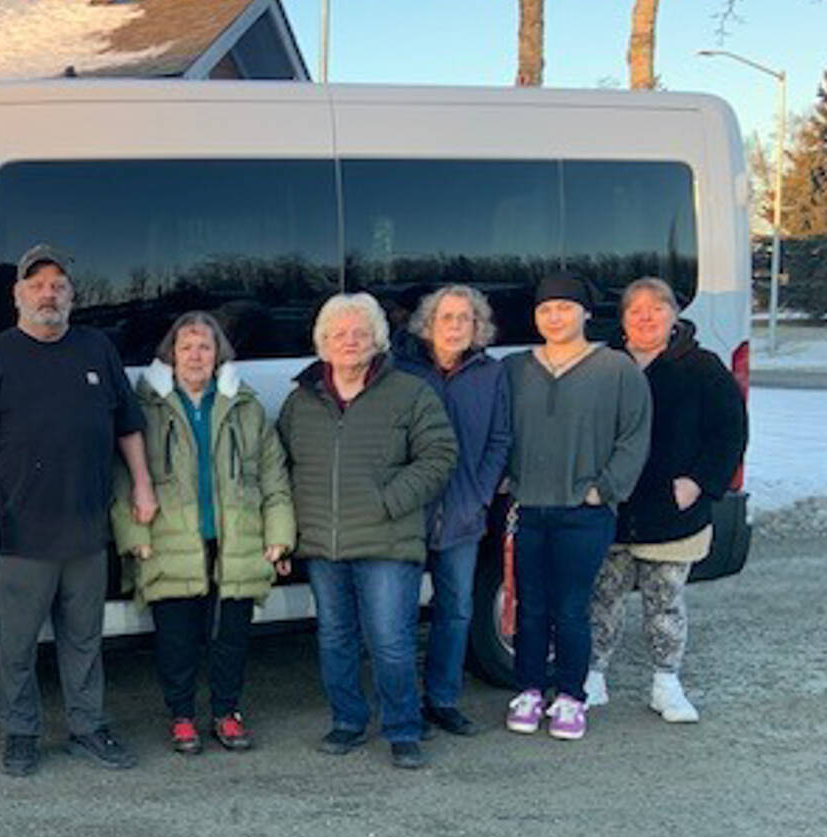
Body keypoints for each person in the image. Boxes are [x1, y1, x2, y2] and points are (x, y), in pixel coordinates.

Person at [0, 244, 157, 776]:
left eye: (59, 285)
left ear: (72, 295)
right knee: (18, 644)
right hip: (26, 528)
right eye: (37, 285)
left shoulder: (97, 349)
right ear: (17, 295)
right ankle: (21, 733)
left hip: (89, 526)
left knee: (84, 638)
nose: (49, 293)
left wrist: (142, 485)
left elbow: (128, 425)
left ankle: (88, 727)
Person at [277, 293, 457, 770]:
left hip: (386, 539)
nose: (350, 342)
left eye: (360, 333)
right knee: (335, 637)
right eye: (339, 334)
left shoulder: (410, 392)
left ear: (377, 340)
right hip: (322, 543)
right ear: (323, 343)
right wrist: (285, 531)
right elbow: (281, 467)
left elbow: (439, 455)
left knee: (390, 640)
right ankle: (348, 721)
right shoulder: (301, 401)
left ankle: (403, 727)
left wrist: (388, 502)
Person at [112, 312, 295, 754]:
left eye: (205, 347)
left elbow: (273, 475)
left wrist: (280, 534)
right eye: (186, 346)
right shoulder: (147, 406)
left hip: (237, 537)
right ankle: (181, 717)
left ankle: (227, 713)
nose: (195, 355)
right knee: (176, 637)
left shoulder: (245, 407)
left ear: (219, 356)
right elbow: (123, 475)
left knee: (230, 636)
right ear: (170, 354)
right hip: (168, 537)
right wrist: (132, 533)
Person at [586, 277, 747, 722]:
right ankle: (593, 674)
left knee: (665, 601)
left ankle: (666, 682)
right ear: (622, 319)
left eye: (656, 308)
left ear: (673, 315)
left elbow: (730, 432)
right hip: (613, 507)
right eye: (635, 309)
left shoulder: (702, 367)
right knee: (603, 597)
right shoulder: (604, 365)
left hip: (672, 508)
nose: (646, 317)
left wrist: (699, 483)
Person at [502, 273, 651, 741]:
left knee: (570, 607)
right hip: (528, 508)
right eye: (545, 309)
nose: (555, 317)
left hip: (584, 511)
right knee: (529, 607)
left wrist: (604, 489)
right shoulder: (515, 368)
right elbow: (498, 428)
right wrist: (505, 477)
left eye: (565, 307)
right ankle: (528, 689)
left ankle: (570, 696)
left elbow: (634, 435)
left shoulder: (615, 369)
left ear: (586, 313)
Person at [395, 285, 513, 738]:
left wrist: (481, 493)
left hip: (464, 512)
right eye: (447, 317)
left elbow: (500, 438)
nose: (456, 326)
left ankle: (442, 700)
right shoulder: (403, 371)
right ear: (429, 324)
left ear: (477, 326)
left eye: (465, 318)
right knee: (400, 612)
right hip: (409, 513)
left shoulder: (491, 373)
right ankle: (404, 704)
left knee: (457, 609)